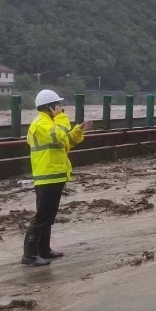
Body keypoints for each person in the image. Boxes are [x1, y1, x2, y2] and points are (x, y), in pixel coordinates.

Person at [21, 90, 93, 266]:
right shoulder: (41, 124)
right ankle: (29, 255)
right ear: (50, 107)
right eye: (59, 105)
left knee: (49, 216)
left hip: (55, 174)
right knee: (42, 216)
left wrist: (78, 130)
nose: (62, 108)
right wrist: (61, 118)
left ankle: (44, 250)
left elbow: (65, 142)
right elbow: (58, 135)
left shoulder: (50, 123)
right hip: (46, 176)